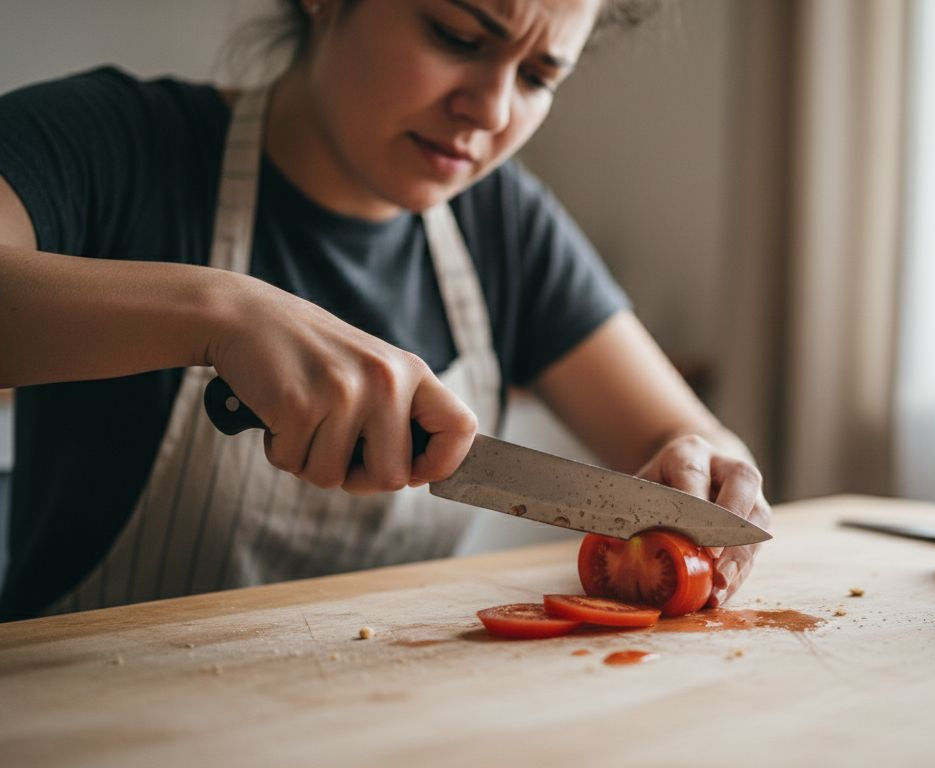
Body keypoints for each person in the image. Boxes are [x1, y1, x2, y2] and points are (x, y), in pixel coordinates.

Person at [0, 0, 770, 621]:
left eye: (538, 76)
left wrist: (710, 470)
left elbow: (685, 439)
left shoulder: (503, 224)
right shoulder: (112, 144)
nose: (491, 110)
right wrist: (222, 311)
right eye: (457, 35)